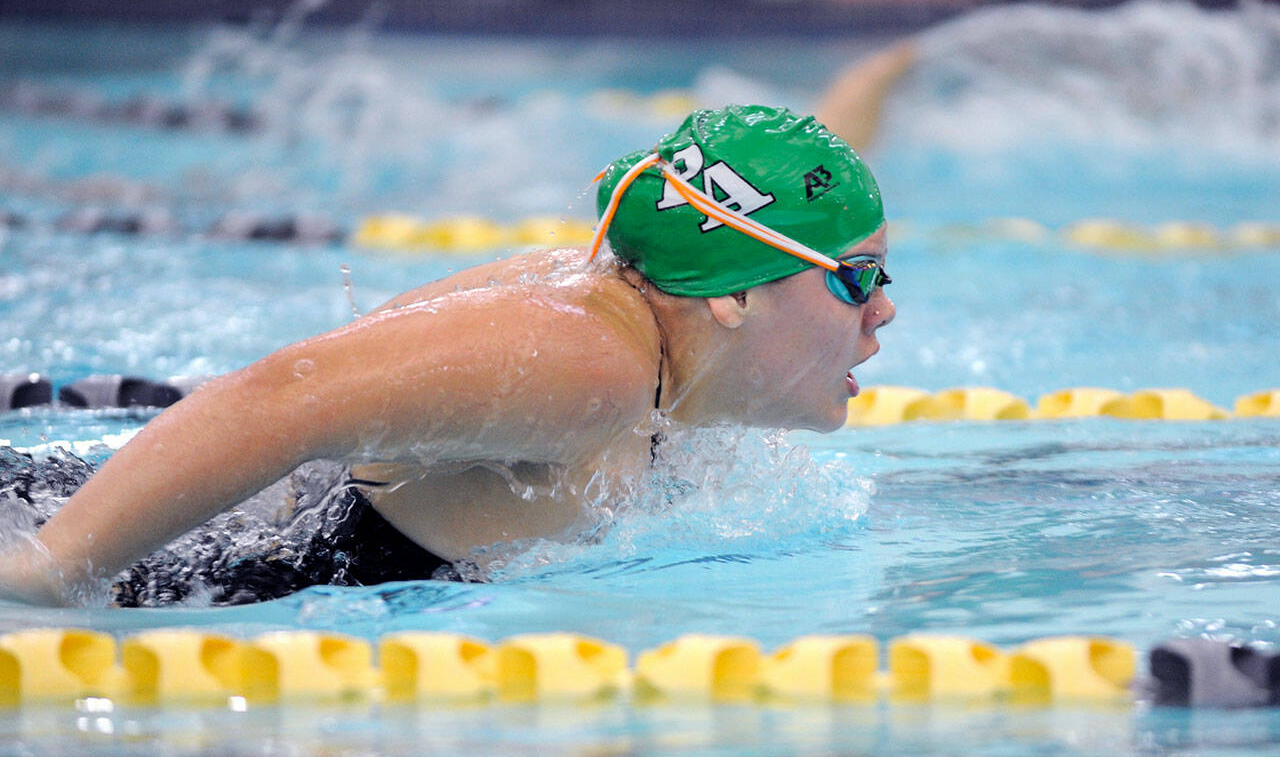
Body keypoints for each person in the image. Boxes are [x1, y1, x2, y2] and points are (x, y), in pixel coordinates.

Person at [0, 104, 895, 607]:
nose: (884, 311)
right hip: (159, 566)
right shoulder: (590, 363)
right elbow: (283, 396)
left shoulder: (646, 333)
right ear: (735, 293)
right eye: (858, 279)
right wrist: (56, 565)